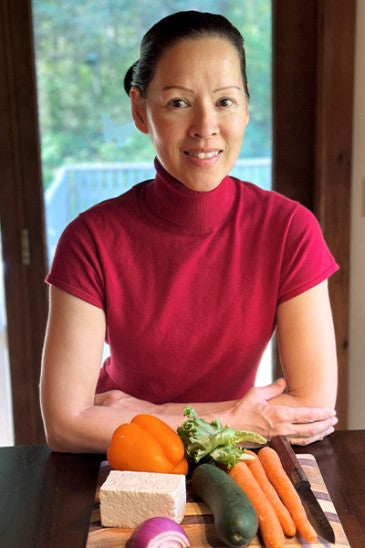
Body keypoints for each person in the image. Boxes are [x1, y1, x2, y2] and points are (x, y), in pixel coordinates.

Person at [40, 10, 339, 454]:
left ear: (246, 109)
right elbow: (65, 426)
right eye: (178, 102)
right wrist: (233, 420)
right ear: (140, 111)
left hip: (150, 430)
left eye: (224, 101)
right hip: (116, 451)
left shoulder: (290, 229)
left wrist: (143, 412)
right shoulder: (89, 239)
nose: (205, 127)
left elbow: (312, 408)